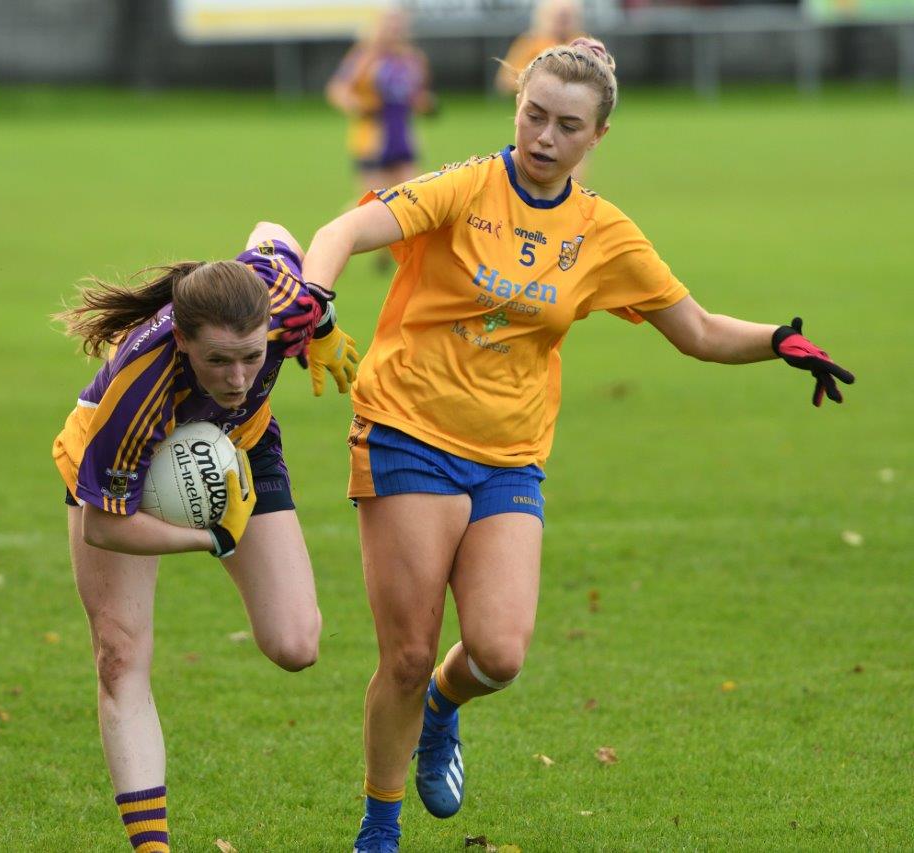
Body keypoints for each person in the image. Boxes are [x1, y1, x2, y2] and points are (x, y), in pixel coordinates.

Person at [298, 38, 855, 852]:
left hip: (510, 455)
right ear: (516, 109)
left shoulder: (603, 233)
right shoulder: (465, 186)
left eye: (566, 125)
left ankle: (443, 714)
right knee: (410, 653)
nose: (543, 136)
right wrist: (314, 296)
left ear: (597, 137)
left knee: (498, 651)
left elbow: (695, 329)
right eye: (533, 114)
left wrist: (778, 340)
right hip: (408, 431)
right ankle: (380, 826)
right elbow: (343, 229)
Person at [51, 222, 358, 853]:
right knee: (119, 655)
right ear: (184, 340)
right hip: (121, 477)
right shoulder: (140, 389)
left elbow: (272, 232)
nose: (240, 377)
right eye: (218, 360)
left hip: (239, 454)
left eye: (252, 356)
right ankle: (153, 846)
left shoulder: (280, 301)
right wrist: (212, 538)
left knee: (296, 643)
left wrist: (320, 326)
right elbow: (103, 525)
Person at [327, 9, 434, 207]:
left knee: (411, 201)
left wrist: (424, 104)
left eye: (397, 26)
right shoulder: (364, 57)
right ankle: (343, 233)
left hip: (404, 137)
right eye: (388, 25)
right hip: (372, 139)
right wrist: (358, 105)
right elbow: (338, 90)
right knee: (372, 204)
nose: (393, 31)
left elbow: (418, 94)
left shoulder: (413, 59)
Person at [494, 0, 582, 96]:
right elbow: (505, 81)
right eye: (560, 17)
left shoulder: (582, 44)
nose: (563, 23)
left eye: (568, 18)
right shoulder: (529, 42)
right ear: (544, 17)